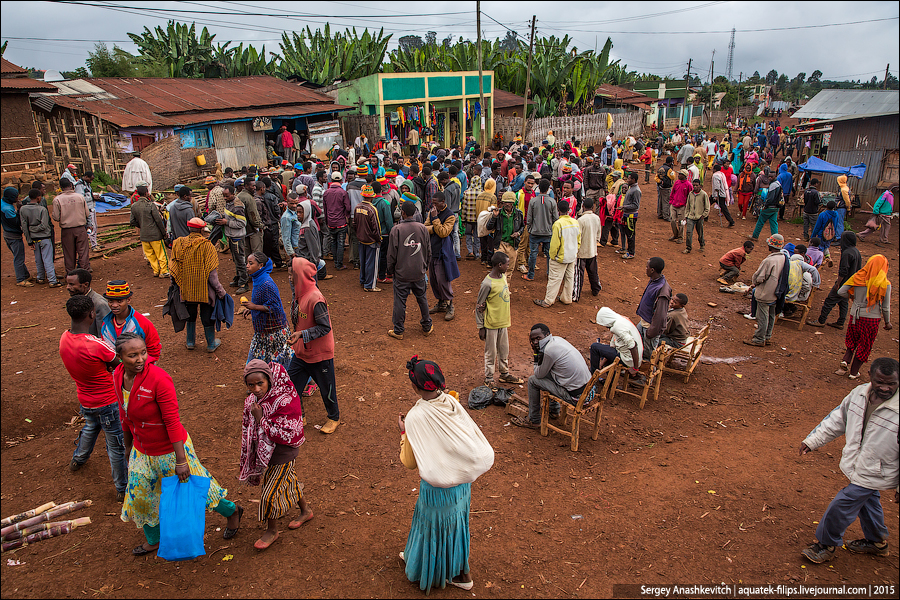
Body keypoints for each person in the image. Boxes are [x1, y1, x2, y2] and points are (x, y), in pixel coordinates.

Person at [114, 333, 243, 556]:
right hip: (141, 450)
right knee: (141, 495)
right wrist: (127, 446)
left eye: (143, 352)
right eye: (132, 355)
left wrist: (181, 461)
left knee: (199, 490)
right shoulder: (117, 376)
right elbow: (124, 413)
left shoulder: (159, 379)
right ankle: (154, 539)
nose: (140, 359)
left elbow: (172, 422)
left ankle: (232, 511)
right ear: (120, 357)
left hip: (171, 450)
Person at [398, 356, 493, 593]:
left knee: (432, 528)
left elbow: (409, 462)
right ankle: (462, 574)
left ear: (414, 386)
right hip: (461, 485)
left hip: (437, 490)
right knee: (456, 527)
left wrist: (403, 434)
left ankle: (427, 569)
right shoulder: (451, 402)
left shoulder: (416, 417)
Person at [798, 356, 899, 565]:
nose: (886, 388)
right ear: (870, 376)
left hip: (878, 470)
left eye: (892, 383)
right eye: (880, 382)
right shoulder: (858, 394)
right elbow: (838, 419)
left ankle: (826, 544)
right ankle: (877, 542)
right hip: (861, 465)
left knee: (842, 504)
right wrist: (813, 441)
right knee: (868, 501)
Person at [240, 359, 312, 551]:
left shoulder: (285, 399)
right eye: (250, 384)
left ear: (270, 380)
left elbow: (284, 433)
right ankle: (306, 511)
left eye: (260, 383)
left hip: (284, 452)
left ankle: (272, 530)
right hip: (269, 453)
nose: (255, 388)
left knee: (269, 493)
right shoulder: (255, 400)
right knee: (291, 481)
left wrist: (260, 419)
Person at [61, 295, 127, 501]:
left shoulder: (64, 338)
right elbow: (119, 364)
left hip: (85, 399)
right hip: (107, 401)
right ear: (92, 314)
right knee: (115, 444)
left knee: (91, 427)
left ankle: (78, 459)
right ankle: (122, 487)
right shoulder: (96, 344)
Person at [512, 323, 592, 429]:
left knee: (532, 381)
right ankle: (554, 411)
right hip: (589, 391)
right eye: (533, 340)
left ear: (547, 335)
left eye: (538, 338)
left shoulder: (549, 350)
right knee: (550, 372)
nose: (536, 342)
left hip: (577, 398)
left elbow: (538, 374)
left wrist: (536, 353)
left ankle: (534, 420)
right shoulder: (556, 340)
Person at [834, 255, 892, 379]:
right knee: (865, 344)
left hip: (855, 315)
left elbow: (841, 292)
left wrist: (854, 298)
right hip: (871, 319)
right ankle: (854, 372)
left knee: (852, 339)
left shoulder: (858, 277)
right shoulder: (884, 283)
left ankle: (846, 360)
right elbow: (886, 307)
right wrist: (887, 323)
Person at [475, 251, 523, 388]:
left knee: (504, 350)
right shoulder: (487, 284)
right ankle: (489, 378)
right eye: (507, 264)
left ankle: (504, 373)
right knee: (491, 352)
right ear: (500, 265)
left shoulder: (503, 276)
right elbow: (479, 306)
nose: (509, 266)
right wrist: (481, 327)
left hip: (503, 322)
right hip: (491, 323)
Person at [387, 201, 433, 340]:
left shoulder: (396, 230)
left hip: (402, 273)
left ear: (403, 213)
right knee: (422, 298)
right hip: (419, 271)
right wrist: (424, 267)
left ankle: (399, 330)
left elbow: (391, 254)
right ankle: (427, 326)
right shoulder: (423, 228)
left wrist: (390, 270)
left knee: (400, 301)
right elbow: (428, 251)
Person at [240, 252, 294, 367]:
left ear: (260, 265)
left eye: (250, 263)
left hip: (274, 332)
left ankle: (309, 381)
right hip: (263, 332)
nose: (247, 266)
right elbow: (263, 302)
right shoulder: (258, 279)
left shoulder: (266, 283)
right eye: (247, 263)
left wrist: (254, 307)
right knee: (261, 360)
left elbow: (275, 307)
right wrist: (252, 309)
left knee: (286, 361)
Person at [808, 232, 862, 329]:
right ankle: (840, 322)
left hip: (844, 282)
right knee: (843, 302)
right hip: (851, 282)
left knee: (830, 300)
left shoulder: (847, 253)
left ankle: (821, 320)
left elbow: (843, 270)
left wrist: (838, 283)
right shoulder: (856, 251)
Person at [100, 280, 163, 361]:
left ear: (128, 300)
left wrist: (145, 368)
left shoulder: (143, 323)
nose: (114, 305)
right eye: (110, 301)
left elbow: (154, 350)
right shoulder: (106, 324)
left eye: (120, 301)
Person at [534, 200, 579, 308]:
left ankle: (548, 301)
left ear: (558, 210)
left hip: (560, 257)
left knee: (554, 279)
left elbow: (554, 244)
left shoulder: (558, 224)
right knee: (569, 278)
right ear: (569, 210)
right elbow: (579, 240)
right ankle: (567, 298)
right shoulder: (575, 222)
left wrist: (553, 256)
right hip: (572, 255)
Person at [744, 234, 788, 347]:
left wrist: (754, 283)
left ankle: (759, 339)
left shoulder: (769, 260)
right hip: (777, 292)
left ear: (770, 245)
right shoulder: (784, 257)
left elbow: (759, 278)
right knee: (771, 315)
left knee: (762, 316)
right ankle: (767, 336)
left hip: (766, 292)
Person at [425, 191, 460, 320]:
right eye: (432, 203)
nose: (433, 206)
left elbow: (443, 233)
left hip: (443, 252)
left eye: (435, 203)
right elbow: (425, 227)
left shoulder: (451, 216)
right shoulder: (432, 212)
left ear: (443, 202)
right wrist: (435, 227)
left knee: (442, 279)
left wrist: (434, 220)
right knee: (434, 279)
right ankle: (440, 302)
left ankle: (449, 304)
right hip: (432, 250)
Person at [19, 188, 61, 287]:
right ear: (38, 198)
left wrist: (29, 237)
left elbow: (24, 227)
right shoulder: (42, 209)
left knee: (38, 259)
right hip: (44, 237)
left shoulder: (23, 209)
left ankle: (40, 277)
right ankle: (52, 280)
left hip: (33, 239)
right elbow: (44, 226)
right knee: (47, 259)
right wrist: (34, 229)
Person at [52, 178, 92, 273]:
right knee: (83, 252)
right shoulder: (80, 197)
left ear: (61, 187)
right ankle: (84, 272)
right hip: (80, 228)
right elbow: (87, 213)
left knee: (69, 253)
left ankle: (70, 274)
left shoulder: (57, 199)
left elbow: (56, 217)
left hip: (67, 230)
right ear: (71, 185)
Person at [590, 307, 642, 377]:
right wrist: (604, 361)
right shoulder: (621, 320)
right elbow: (613, 346)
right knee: (605, 354)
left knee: (594, 347)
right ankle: (610, 383)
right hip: (632, 357)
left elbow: (633, 345)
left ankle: (593, 376)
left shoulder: (617, 327)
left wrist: (635, 368)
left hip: (628, 359)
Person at [636, 257, 672, 358]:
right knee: (637, 346)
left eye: (647, 267)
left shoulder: (662, 289)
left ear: (652, 270)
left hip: (649, 327)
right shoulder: (654, 281)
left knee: (648, 355)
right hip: (644, 322)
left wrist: (651, 333)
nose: (645, 269)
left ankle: (645, 373)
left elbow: (660, 315)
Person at [523, 179, 558, 281]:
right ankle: (549, 274)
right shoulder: (552, 201)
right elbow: (555, 218)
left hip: (535, 231)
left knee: (533, 253)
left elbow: (529, 217)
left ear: (538, 187)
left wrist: (529, 228)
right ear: (548, 189)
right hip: (548, 232)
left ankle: (531, 275)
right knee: (549, 255)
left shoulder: (533, 200)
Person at [130, 184, 168, 277]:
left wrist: (142, 225)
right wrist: (164, 233)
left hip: (144, 235)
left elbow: (132, 221)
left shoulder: (134, 206)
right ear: (147, 193)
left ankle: (156, 271)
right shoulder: (150, 205)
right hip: (155, 234)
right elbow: (158, 220)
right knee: (161, 254)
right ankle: (164, 271)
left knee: (150, 255)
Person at [218, 185, 250, 294]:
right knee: (236, 259)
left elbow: (242, 223)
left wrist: (226, 222)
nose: (225, 198)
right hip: (232, 236)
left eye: (227, 196)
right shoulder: (229, 203)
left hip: (237, 237)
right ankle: (238, 278)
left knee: (240, 260)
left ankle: (244, 283)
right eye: (224, 196)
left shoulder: (238, 207)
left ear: (233, 194)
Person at [2, 186, 34, 287]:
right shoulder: (7, 209)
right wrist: (20, 209)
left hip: (7, 234)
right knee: (19, 258)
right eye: (15, 197)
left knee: (18, 256)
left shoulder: (3, 203)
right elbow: (16, 222)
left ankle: (25, 274)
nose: (17, 198)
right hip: (13, 236)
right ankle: (21, 279)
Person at [354, 184, 383, 292]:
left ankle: (363, 280)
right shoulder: (372, 209)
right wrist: (378, 239)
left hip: (361, 239)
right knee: (371, 263)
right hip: (371, 240)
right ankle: (370, 285)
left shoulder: (357, 207)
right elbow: (376, 227)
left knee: (363, 261)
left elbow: (354, 224)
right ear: (371, 197)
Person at [66, 268, 110, 337]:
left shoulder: (99, 304)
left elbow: (104, 335)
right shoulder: (76, 300)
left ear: (86, 284)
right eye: (68, 284)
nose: (68, 287)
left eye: (72, 284)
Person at [573, 197, 602, 302]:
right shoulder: (596, 218)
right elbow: (598, 235)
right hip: (592, 250)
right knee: (593, 272)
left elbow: (577, 237)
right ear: (593, 207)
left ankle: (575, 295)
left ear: (583, 206)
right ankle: (596, 289)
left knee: (579, 274)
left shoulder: (580, 220)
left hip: (581, 252)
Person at [323, 172, 351, 270]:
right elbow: (348, 207)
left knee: (333, 242)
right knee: (340, 243)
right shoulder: (343, 193)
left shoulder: (326, 192)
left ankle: (336, 262)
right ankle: (339, 264)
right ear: (340, 180)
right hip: (341, 222)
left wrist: (327, 221)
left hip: (330, 222)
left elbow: (325, 209)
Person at [749, 174, 783, 241]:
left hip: (770, 207)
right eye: (769, 176)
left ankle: (755, 236)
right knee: (774, 223)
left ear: (775, 176)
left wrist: (765, 206)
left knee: (760, 221)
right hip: (776, 207)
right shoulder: (778, 184)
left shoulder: (773, 185)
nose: (770, 178)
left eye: (771, 176)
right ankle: (776, 238)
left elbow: (770, 198)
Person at [74, 171, 100, 250]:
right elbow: (80, 198)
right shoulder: (79, 185)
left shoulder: (87, 184)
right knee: (91, 227)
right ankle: (93, 245)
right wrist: (92, 198)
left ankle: (94, 243)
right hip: (86, 209)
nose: (91, 181)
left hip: (91, 207)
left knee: (94, 226)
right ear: (86, 177)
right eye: (90, 179)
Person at [618, 172, 641, 260]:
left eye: (629, 178)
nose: (628, 180)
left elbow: (636, 205)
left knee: (630, 234)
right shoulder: (632, 188)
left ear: (633, 180)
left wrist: (624, 207)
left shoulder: (636, 191)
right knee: (627, 233)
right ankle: (628, 250)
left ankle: (631, 252)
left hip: (631, 216)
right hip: (627, 214)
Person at [683, 179, 709, 254]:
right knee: (689, 232)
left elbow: (707, 207)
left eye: (697, 185)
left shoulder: (704, 194)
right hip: (690, 217)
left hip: (699, 217)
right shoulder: (690, 194)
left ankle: (702, 244)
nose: (695, 187)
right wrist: (686, 215)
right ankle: (688, 247)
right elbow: (687, 206)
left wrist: (703, 215)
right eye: (694, 185)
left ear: (700, 186)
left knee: (700, 232)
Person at [460, 175, 482, 261]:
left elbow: (464, 207)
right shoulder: (482, 193)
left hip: (468, 218)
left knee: (468, 235)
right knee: (477, 236)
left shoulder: (466, 193)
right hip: (478, 219)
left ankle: (470, 251)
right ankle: (477, 252)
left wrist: (463, 219)